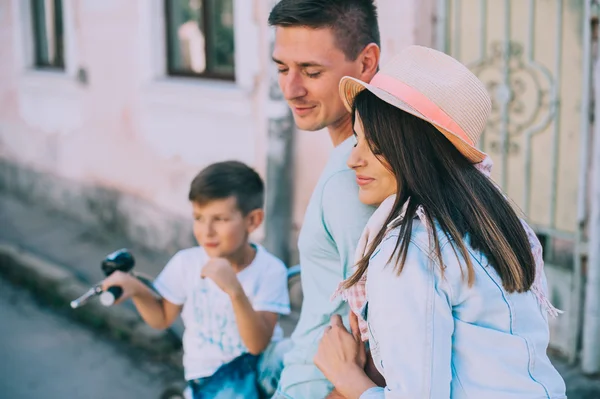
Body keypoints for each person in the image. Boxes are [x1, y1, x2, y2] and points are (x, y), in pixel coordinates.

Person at [313, 45, 567, 398]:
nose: (353, 159)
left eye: (376, 145)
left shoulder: (410, 250)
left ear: (415, 150)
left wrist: (345, 375)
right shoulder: (495, 220)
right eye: (357, 140)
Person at [101, 161, 291, 399]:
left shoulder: (270, 269)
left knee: (302, 352)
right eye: (199, 218)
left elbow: (257, 345)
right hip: (212, 377)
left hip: (261, 364)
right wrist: (136, 291)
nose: (207, 230)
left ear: (252, 221)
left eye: (220, 219)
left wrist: (235, 291)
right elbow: (161, 318)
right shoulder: (186, 263)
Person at [268, 1, 382, 397]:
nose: (291, 89)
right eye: (282, 68)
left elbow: (384, 335)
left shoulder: (357, 175)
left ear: (366, 63)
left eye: (311, 71)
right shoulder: (358, 157)